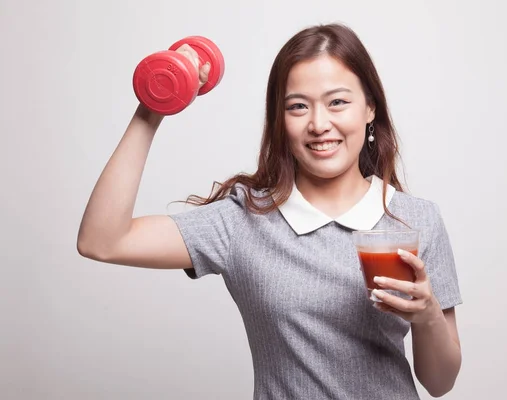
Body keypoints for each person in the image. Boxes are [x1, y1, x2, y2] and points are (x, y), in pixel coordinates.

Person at [77, 23, 462, 399]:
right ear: (280, 120)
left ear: (369, 108)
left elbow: (439, 383)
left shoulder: (416, 219)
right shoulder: (244, 220)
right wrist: (153, 108)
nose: (319, 124)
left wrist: (427, 314)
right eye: (298, 106)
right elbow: (103, 241)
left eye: (338, 102)